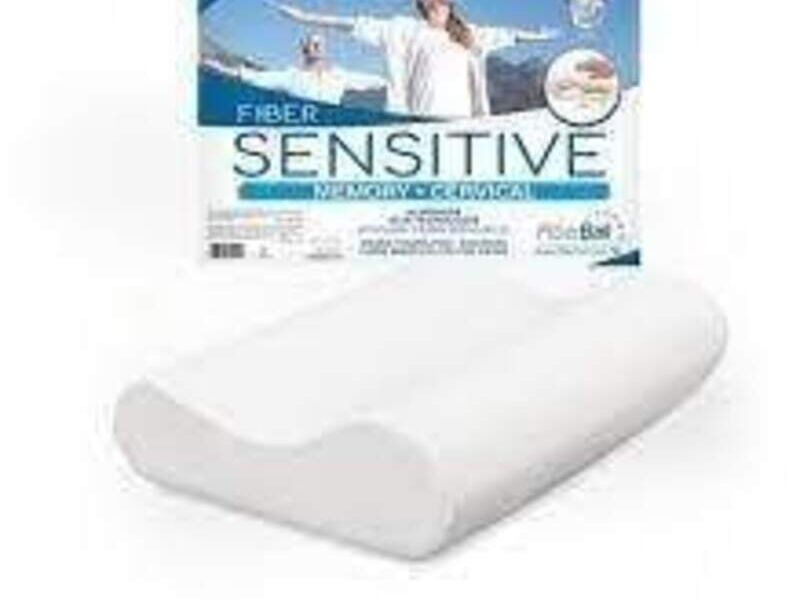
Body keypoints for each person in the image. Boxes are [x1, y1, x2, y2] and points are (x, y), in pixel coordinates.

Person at [270, 1, 558, 118]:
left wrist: (538, 35)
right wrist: (305, 17)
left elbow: (507, 35)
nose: (434, 4)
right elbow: (352, 23)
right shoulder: (403, 29)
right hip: (421, 117)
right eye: (427, 1)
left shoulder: (470, 34)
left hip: (463, 120)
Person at [241, 33, 386, 105]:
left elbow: (375, 81)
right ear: (305, 49)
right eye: (313, 44)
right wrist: (235, 71)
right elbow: (256, 77)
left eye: (320, 44)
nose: (317, 47)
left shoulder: (339, 76)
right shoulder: (292, 76)